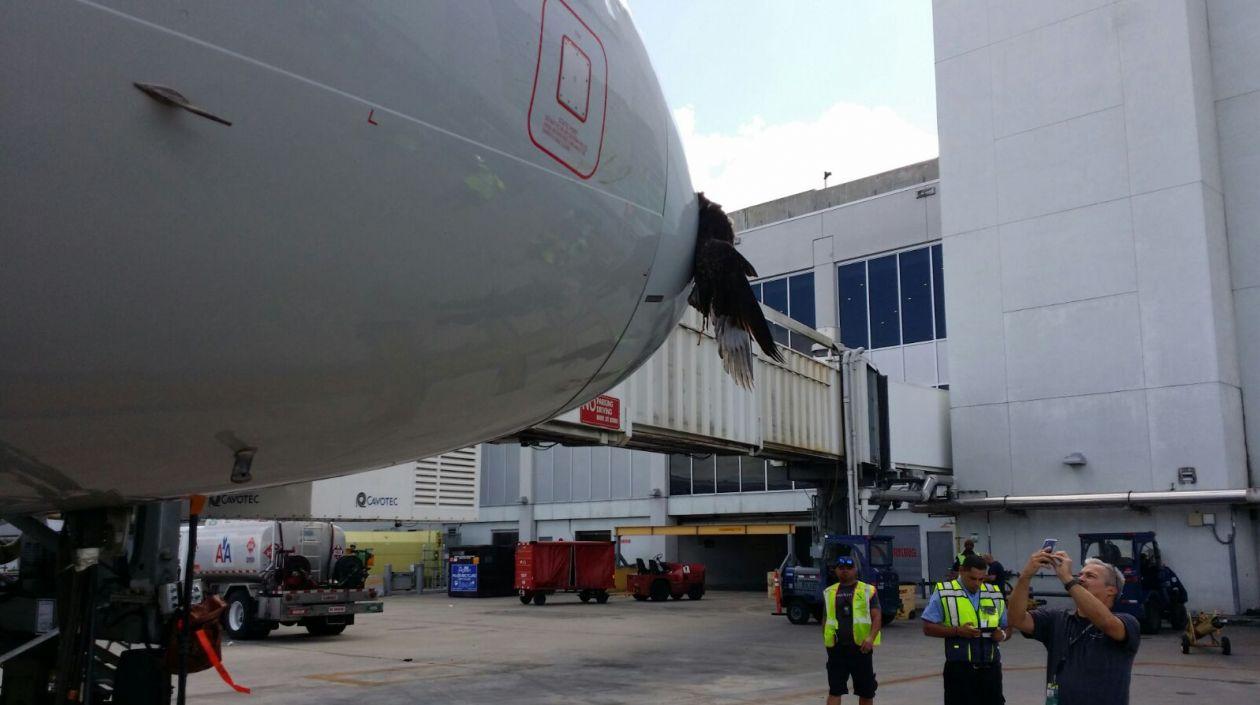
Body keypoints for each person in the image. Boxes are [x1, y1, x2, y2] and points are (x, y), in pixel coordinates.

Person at [1008, 549, 1140, 705]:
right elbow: (1017, 619)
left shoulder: (1127, 622)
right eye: (1080, 575)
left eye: (1090, 576)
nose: (1081, 579)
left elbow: (1107, 623)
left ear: (1111, 590)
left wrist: (1067, 579)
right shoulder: (1057, 619)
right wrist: (1025, 576)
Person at [921, 554, 1008, 704]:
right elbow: (928, 628)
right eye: (972, 578)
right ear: (961, 571)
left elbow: (1008, 625)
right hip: (959, 670)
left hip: (991, 670)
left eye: (981, 579)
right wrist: (957, 631)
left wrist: (1003, 634)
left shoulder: (993, 593)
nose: (977, 584)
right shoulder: (944, 592)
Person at [823, 555, 882, 705]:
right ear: (835, 570)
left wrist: (870, 638)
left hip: (861, 649)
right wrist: (828, 639)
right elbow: (825, 620)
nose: (845, 571)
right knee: (835, 690)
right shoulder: (829, 592)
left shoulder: (868, 590)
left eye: (849, 568)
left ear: (855, 570)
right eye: (841, 568)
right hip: (837, 650)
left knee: (866, 691)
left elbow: (877, 617)